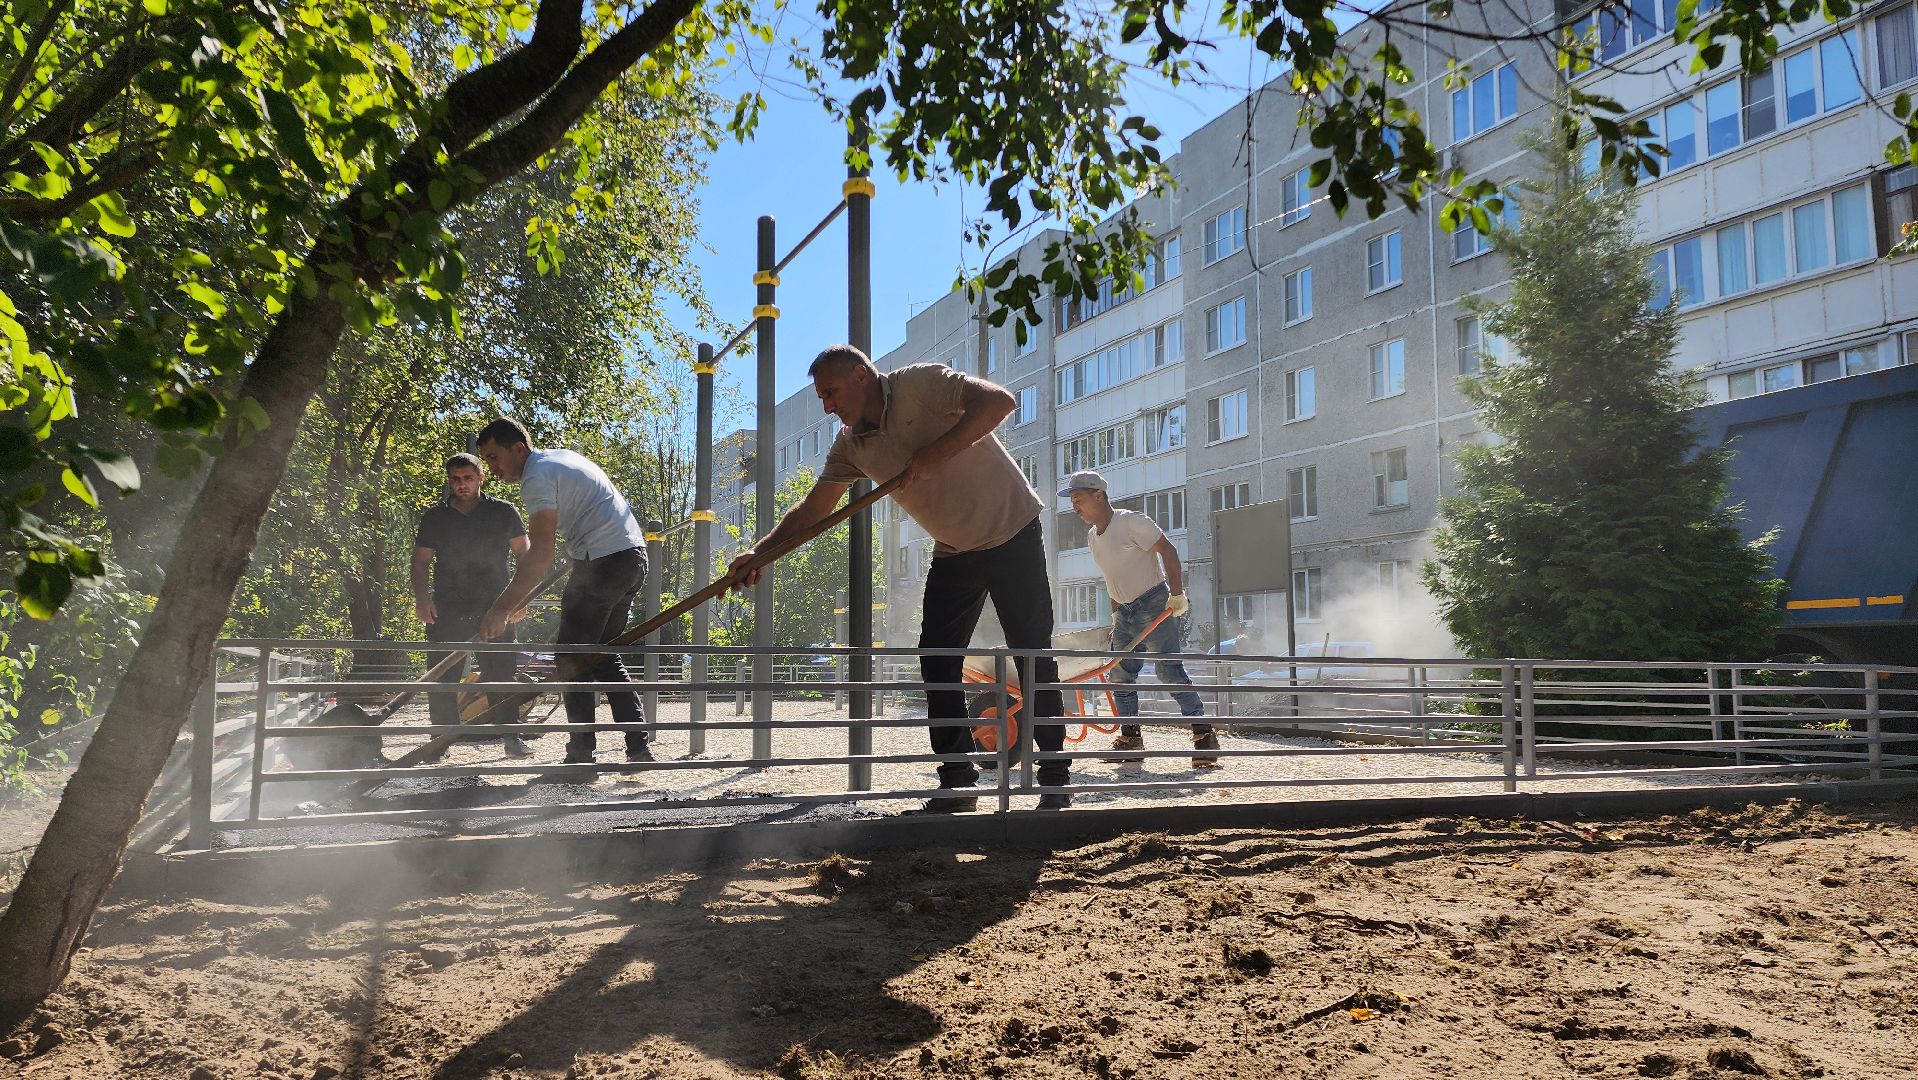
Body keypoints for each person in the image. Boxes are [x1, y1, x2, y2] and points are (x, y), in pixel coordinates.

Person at [729, 345, 1071, 811]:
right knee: (937, 658)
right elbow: (813, 510)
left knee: (1031, 654)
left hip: (1012, 529)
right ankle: (958, 780)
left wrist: (936, 453)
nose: (828, 406)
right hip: (955, 550)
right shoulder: (851, 446)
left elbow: (1000, 402)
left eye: (831, 392)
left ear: (860, 375)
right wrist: (761, 553)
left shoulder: (921, 383)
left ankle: (1054, 779)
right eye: (822, 398)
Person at [474, 417, 653, 766]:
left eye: (494, 457)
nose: (492, 468)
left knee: (570, 658)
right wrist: (520, 598)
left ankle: (581, 753)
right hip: (631, 558)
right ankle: (638, 748)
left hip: (604, 562)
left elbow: (540, 553)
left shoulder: (536, 476)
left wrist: (501, 607)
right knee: (602, 655)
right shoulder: (560, 458)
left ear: (518, 449)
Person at [1060, 470, 1219, 768]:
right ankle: (1130, 740)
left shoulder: (1131, 521)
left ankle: (1204, 737)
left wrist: (1177, 594)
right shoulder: (1093, 537)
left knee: (1169, 671)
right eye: (1072, 501)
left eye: (1078, 499)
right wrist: (1116, 615)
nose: (1075, 507)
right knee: (1120, 675)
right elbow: (1112, 578)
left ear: (1099, 495)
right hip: (1125, 612)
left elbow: (1168, 550)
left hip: (1153, 603)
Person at [411, 452, 533, 757]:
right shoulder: (435, 517)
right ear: (449, 481)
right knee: (442, 676)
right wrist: (422, 598)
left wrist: (520, 598)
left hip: (496, 607)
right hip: (447, 608)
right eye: (455, 479)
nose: (461, 484)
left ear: (481, 478)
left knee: (501, 675)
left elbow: (525, 555)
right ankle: (440, 743)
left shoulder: (503, 512)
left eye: (468, 477)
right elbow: (420, 561)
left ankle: (512, 738)